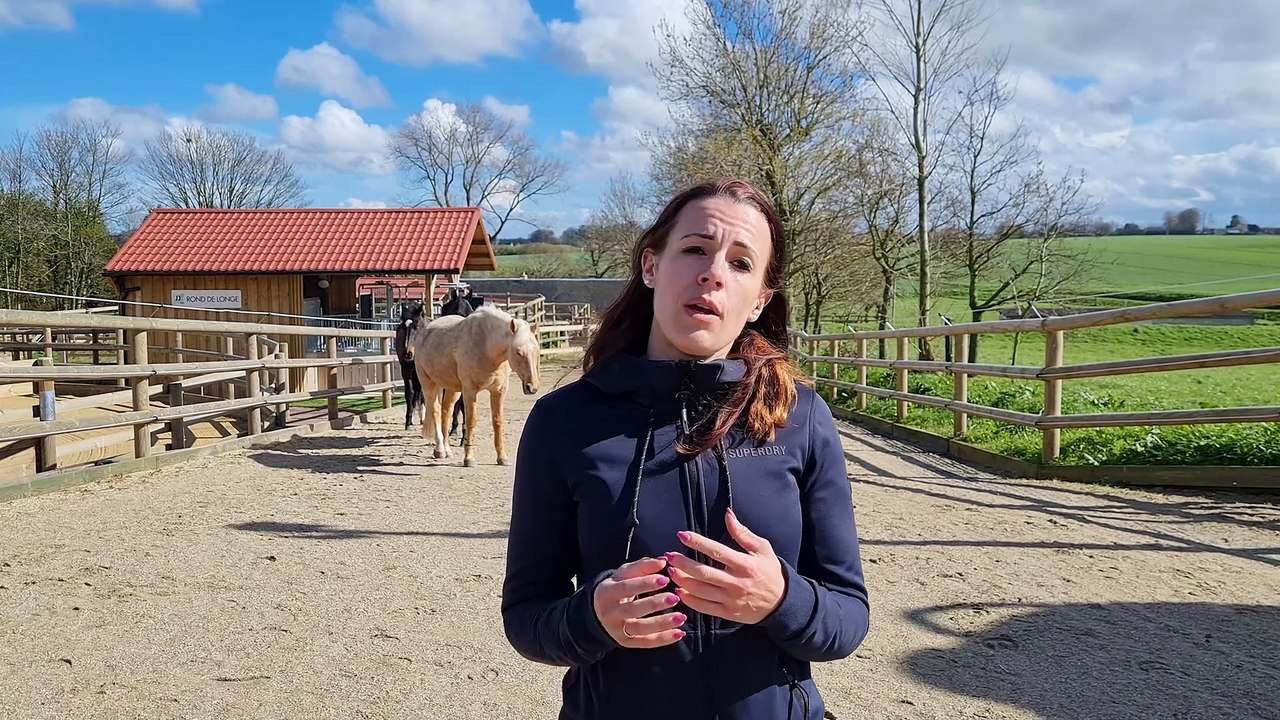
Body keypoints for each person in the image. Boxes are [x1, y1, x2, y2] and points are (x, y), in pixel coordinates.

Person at [500, 178, 869, 719]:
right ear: (652, 266)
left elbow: (848, 616)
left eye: (741, 263)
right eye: (695, 249)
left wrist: (781, 599)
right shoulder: (563, 421)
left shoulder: (801, 418)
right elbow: (526, 615)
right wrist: (590, 619)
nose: (713, 272)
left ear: (759, 300)